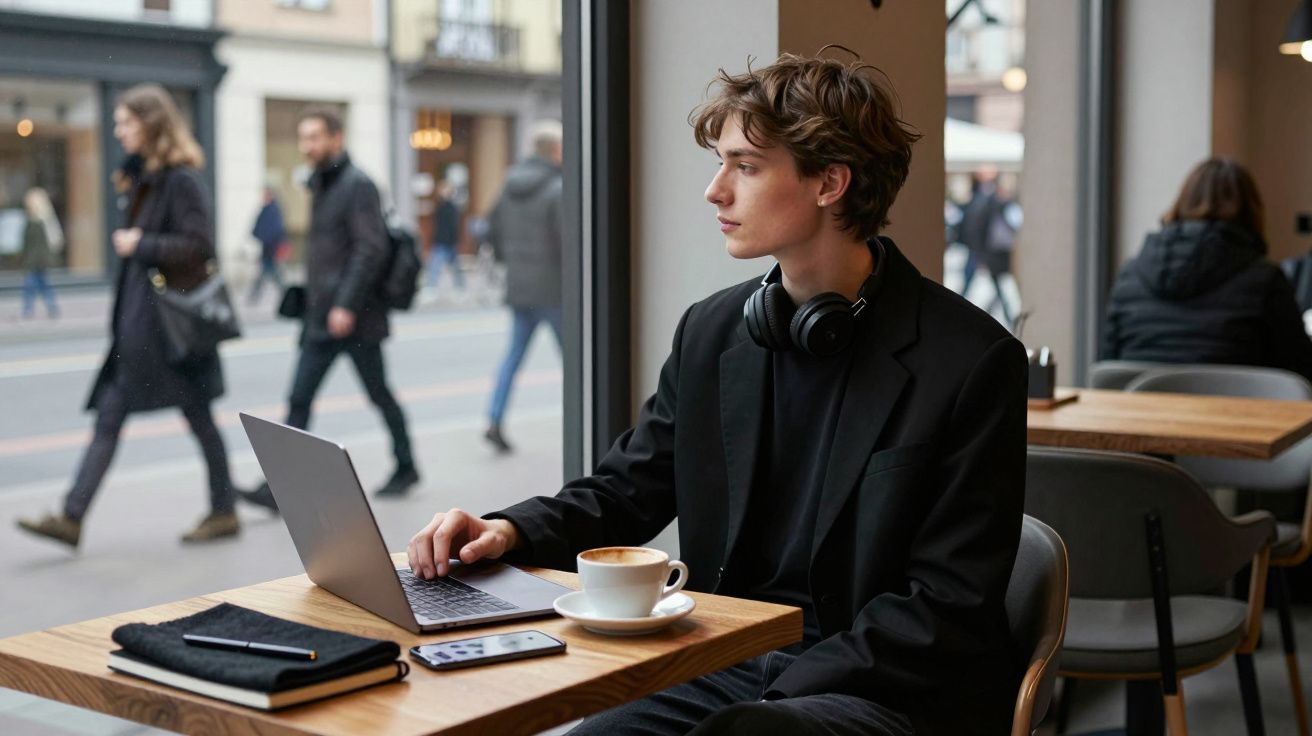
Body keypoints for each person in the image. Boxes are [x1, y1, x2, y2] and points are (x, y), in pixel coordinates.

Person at [408, 53, 1027, 735]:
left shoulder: (971, 360)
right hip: (726, 666)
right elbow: (628, 487)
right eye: (719, 162)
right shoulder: (713, 331)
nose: (715, 190)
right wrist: (509, 530)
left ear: (830, 182)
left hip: (886, 691)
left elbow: (946, 604)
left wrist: (776, 687)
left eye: (746, 166)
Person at [17, 84, 240, 548]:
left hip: (169, 328)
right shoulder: (140, 178)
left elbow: (200, 245)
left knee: (194, 416)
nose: (118, 131)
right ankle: (73, 516)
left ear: (151, 123)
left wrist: (143, 244)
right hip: (142, 325)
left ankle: (222, 510)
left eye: (126, 123)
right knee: (118, 415)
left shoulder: (180, 179)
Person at [238, 107, 419, 510]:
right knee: (299, 397)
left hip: (351, 317)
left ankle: (406, 465)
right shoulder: (322, 183)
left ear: (336, 138)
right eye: (303, 138)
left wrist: (346, 304)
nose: (307, 146)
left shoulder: (357, 185)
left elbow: (369, 248)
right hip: (322, 315)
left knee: (378, 394)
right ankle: (277, 487)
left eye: (315, 137)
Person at [1102, 158, 1312, 380]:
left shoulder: (1129, 275)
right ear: (1251, 212)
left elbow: (1107, 365)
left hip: (1138, 412)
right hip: (1234, 412)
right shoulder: (1265, 280)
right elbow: (1300, 370)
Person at [482, 120, 564, 454]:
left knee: (512, 357)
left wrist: (511, 262)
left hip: (519, 287)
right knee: (574, 362)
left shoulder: (509, 186)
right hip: (554, 289)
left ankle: (494, 419)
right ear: (556, 150)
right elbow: (565, 241)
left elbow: (491, 229)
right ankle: (584, 419)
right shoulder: (558, 187)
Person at [20, 187, 61, 319]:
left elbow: (48, 243)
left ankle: (30, 309)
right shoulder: (30, 221)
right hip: (33, 260)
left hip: (39, 261)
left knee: (33, 286)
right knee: (40, 286)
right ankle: (50, 308)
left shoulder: (43, 222)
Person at [424, 180, 465, 296]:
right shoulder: (440, 206)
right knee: (436, 265)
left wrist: (455, 239)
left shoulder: (451, 207)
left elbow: (454, 225)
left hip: (449, 241)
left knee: (452, 266)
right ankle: (432, 287)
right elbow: (437, 224)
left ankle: (459, 288)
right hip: (441, 240)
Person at [247, 186, 286, 304]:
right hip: (267, 248)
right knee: (269, 273)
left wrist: (264, 237)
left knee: (270, 273)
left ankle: (255, 295)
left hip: (271, 247)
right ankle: (255, 295)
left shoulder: (273, 209)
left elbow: (275, 229)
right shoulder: (267, 209)